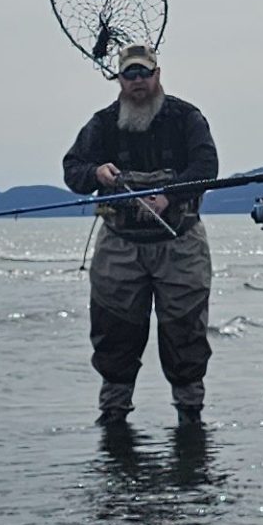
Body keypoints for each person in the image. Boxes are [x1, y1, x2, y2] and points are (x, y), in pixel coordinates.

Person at [63, 44, 219, 427]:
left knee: (186, 330)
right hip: (119, 245)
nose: (137, 82)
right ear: (119, 79)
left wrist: (170, 195)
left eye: (144, 73)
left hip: (180, 243)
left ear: (158, 75)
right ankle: (114, 412)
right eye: (130, 74)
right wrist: (96, 173)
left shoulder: (187, 118)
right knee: (114, 330)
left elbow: (207, 165)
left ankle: (190, 411)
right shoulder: (101, 123)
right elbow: (72, 170)